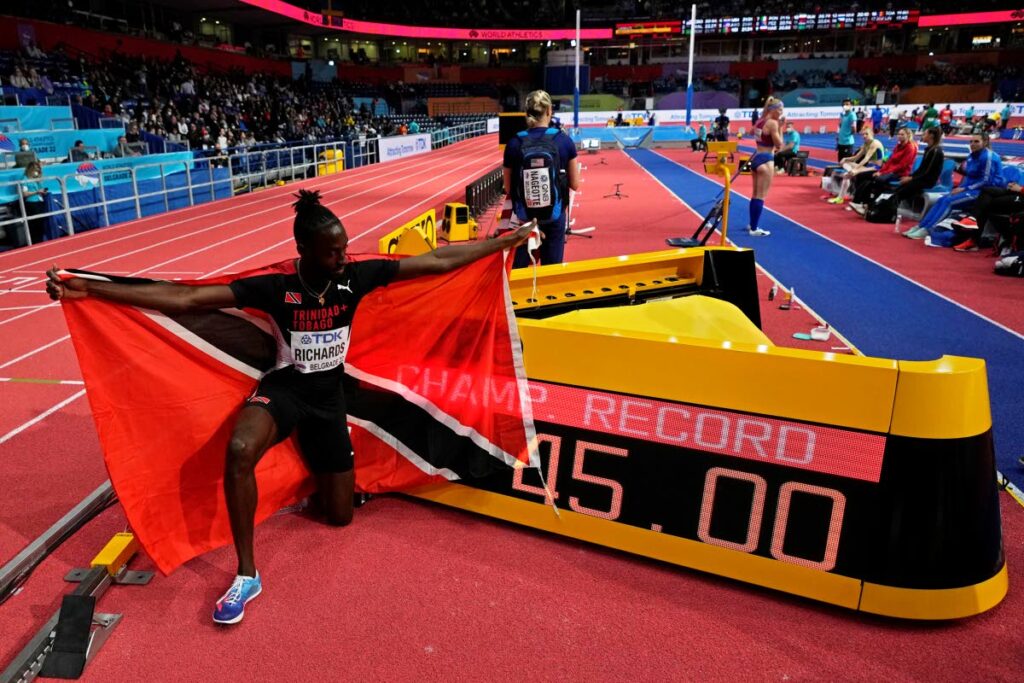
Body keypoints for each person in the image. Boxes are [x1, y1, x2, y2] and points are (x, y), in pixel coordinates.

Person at [45, 189, 533, 624]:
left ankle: (315, 482)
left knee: (339, 517)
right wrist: (90, 287)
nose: (343, 257)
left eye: (344, 247)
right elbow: (183, 299)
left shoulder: (355, 277)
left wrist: (503, 244)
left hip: (330, 399)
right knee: (239, 449)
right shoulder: (276, 287)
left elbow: (440, 263)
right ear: (304, 252)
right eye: (332, 251)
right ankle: (247, 573)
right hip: (287, 390)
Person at [502, 89, 580, 267]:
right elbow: (575, 184)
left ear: (526, 112)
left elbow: (507, 188)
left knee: (519, 271)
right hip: (555, 217)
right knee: (551, 272)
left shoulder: (514, 143)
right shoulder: (564, 141)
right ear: (549, 111)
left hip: (524, 219)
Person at [904, 132, 1003, 241]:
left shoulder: (988, 157)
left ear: (985, 142)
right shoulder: (972, 156)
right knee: (942, 199)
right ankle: (921, 226)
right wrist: (960, 188)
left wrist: (964, 189)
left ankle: (928, 229)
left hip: (983, 192)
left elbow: (986, 180)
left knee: (949, 202)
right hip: (971, 188)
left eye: (976, 141)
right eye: (971, 141)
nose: (972, 144)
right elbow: (969, 176)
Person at [849, 126, 917, 213]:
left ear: (908, 135)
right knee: (863, 176)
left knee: (878, 180)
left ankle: (871, 205)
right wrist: (881, 171)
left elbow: (902, 165)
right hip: (890, 170)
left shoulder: (910, 148)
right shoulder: (899, 145)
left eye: (902, 134)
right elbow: (890, 160)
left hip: (900, 173)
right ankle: (860, 202)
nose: (899, 136)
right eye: (898, 134)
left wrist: (882, 173)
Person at [746, 97, 785, 237]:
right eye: (780, 109)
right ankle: (754, 228)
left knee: (755, 194)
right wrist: (781, 128)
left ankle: (752, 224)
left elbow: (751, 132)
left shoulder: (760, 121)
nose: (781, 112)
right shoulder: (773, 123)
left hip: (757, 159)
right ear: (773, 109)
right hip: (767, 160)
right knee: (761, 196)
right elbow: (780, 145)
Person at [828, 126, 884, 205]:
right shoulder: (865, 144)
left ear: (872, 134)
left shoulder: (874, 143)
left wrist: (856, 169)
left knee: (846, 175)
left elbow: (866, 159)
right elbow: (855, 158)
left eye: (866, 134)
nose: (864, 136)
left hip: (876, 167)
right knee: (845, 163)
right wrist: (846, 159)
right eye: (863, 134)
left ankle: (842, 198)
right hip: (868, 167)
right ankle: (841, 197)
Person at [20, 161, 49, 245]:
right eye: (36, 169)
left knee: (41, 223)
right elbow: (25, 193)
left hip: (39, 201)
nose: (37, 171)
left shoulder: (36, 179)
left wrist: (43, 191)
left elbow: (40, 188)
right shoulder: (24, 179)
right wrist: (36, 192)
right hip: (31, 203)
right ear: (31, 169)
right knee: (34, 224)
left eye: (38, 169)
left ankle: (40, 240)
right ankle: (34, 242)